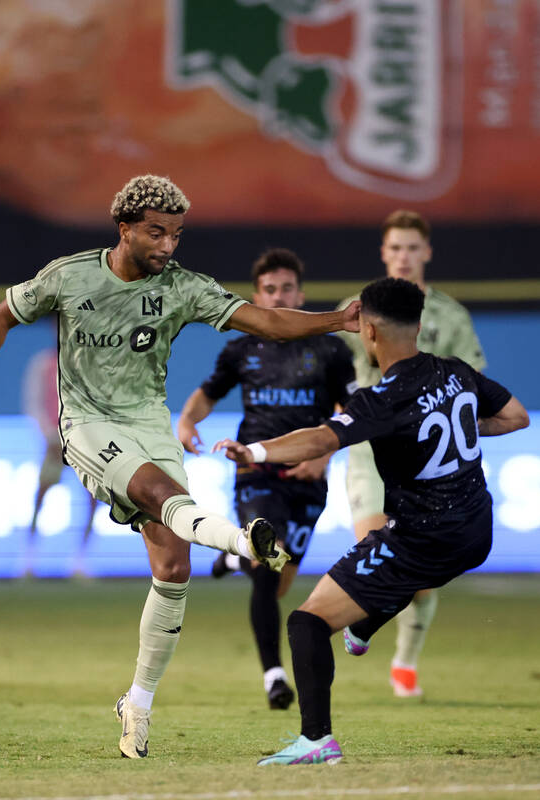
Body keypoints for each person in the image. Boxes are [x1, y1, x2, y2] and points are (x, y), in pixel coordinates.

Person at [0, 175, 361, 759]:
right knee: (160, 492)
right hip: (87, 424)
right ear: (126, 229)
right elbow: (1, 317)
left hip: (148, 423)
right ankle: (243, 542)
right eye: (156, 232)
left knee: (173, 565)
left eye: (177, 234)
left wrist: (336, 320)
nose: (168, 245)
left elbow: (265, 321)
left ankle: (137, 703)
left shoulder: (185, 288)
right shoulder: (68, 276)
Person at [214, 277, 528, 764]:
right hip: (477, 531)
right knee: (390, 562)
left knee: (307, 622)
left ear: (370, 334)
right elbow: (516, 417)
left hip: (421, 538)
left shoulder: (382, 400)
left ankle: (317, 741)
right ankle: (366, 625)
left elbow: (320, 440)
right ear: (420, 326)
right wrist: (462, 423)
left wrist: (254, 450)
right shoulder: (456, 372)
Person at [177, 248, 355, 710]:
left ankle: (234, 560)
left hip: (309, 474)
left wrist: (326, 455)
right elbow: (207, 393)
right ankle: (274, 677)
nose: (279, 296)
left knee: (276, 578)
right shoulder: (241, 346)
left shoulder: (331, 348)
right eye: (270, 290)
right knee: (265, 567)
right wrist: (186, 422)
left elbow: (353, 412)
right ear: (257, 295)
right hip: (254, 471)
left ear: (301, 292)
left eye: (287, 288)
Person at [335, 209, 487, 699]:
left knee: (421, 576)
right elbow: (333, 377)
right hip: (368, 453)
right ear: (384, 253)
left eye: (411, 248)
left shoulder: (451, 318)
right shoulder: (355, 311)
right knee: (378, 550)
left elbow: (473, 384)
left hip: (427, 459)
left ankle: (405, 660)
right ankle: (360, 628)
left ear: (426, 253)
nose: (403, 256)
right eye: (395, 247)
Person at [22, 341, 98, 577]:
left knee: (93, 498)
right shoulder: (43, 364)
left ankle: (79, 560)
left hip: (83, 441)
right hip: (54, 441)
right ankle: (29, 558)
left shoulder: (87, 364)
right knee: (41, 494)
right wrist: (49, 435)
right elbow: (33, 401)